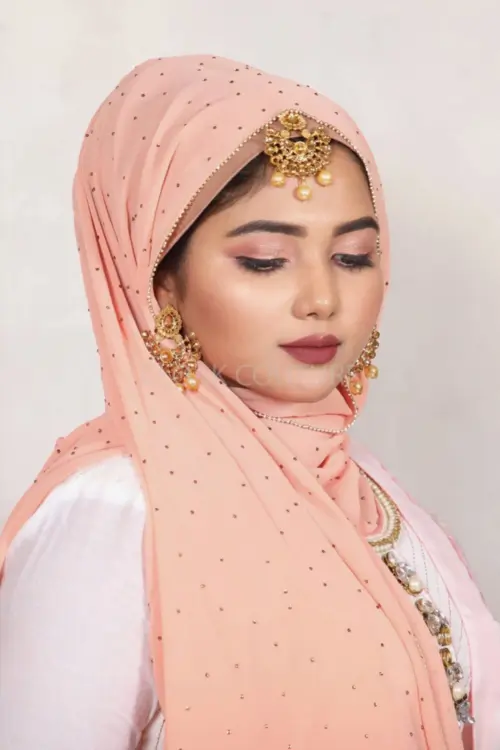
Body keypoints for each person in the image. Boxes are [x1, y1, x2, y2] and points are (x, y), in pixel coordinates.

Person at [0, 55, 499, 750]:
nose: (322, 300)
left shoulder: (363, 486)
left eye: (353, 257)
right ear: (160, 283)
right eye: (265, 260)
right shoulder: (117, 510)